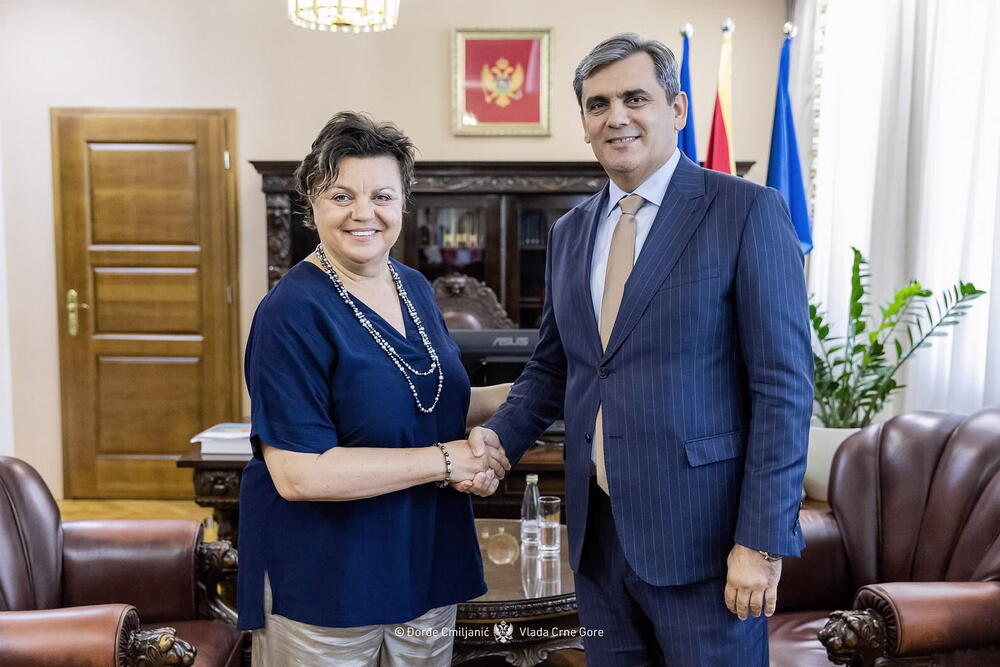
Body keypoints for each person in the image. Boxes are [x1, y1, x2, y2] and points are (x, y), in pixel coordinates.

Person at [471, 33, 813, 665]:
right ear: (584, 123)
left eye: (635, 98)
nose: (616, 117)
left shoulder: (746, 211)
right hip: (598, 541)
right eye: (598, 104)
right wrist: (497, 443)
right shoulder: (570, 232)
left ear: (676, 109)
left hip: (708, 545)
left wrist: (761, 542)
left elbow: (783, 391)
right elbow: (554, 367)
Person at [236, 111, 512, 666]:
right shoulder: (290, 311)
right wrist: (447, 461)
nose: (363, 213)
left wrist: (544, 391)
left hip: (423, 559)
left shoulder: (413, 286)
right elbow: (300, 474)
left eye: (382, 196)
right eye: (341, 196)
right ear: (312, 202)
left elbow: (436, 404)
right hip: (326, 580)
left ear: (403, 204)